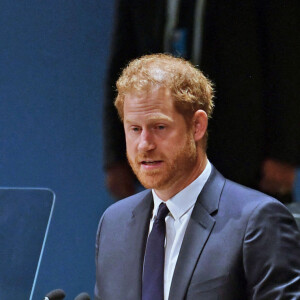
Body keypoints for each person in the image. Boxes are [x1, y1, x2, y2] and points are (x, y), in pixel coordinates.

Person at [95, 54, 300, 300]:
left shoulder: (257, 221)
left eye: (159, 127)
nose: (144, 145)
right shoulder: (113, 224)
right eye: (135, 129)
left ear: (197, 126)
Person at [103, 0, 300, 201]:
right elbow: (123, 68)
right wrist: (117, 155)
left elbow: (288, 61)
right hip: (164, 154)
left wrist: (284, 154)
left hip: (246, 158)